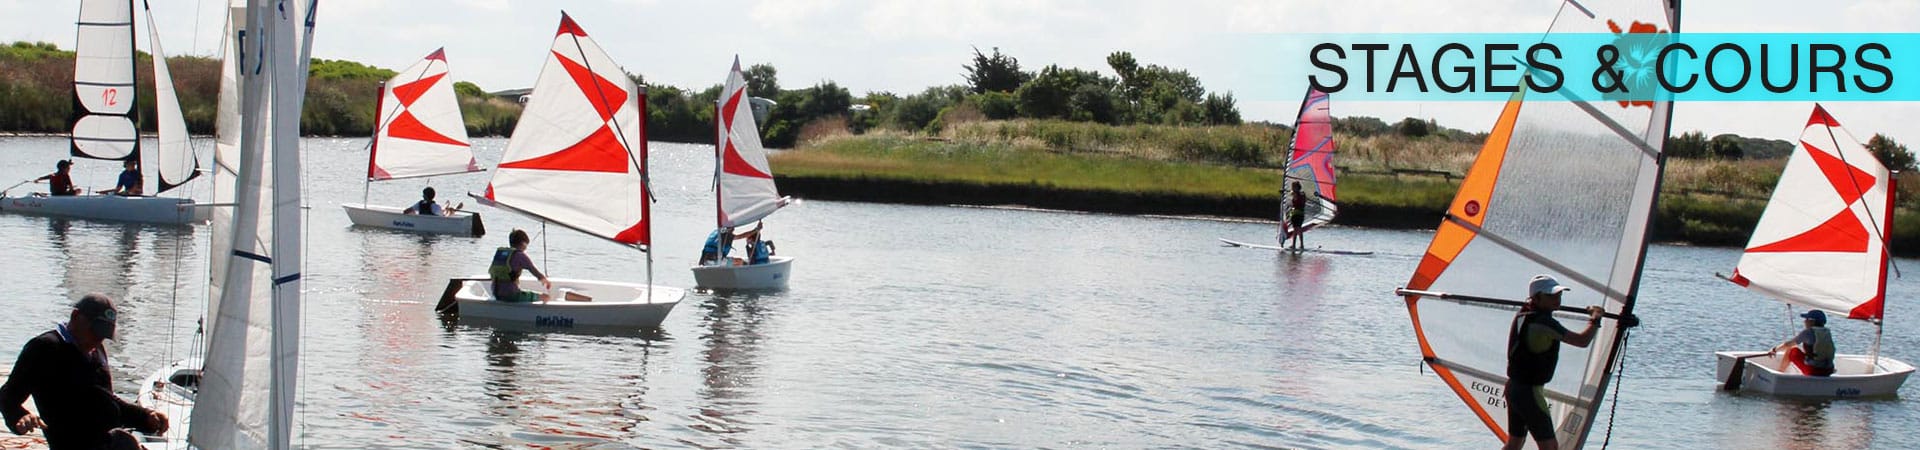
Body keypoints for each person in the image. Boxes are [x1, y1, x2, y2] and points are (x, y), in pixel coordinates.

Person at [1, 294, 168, 449]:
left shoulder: (96, 350)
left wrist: (145, 417)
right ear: (75, 316)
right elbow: (7, 397)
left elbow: (106, 398)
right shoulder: (45, 348)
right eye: (95, 331)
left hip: (106, 441)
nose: (98, 339)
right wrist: (20, 417)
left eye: (104, 334)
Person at [1503, 275, 1604, 450]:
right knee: (1549, 447)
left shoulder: (1524, 314)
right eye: (1551, 296)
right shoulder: (1544, 323)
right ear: (1536, 298)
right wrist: (1595, 318)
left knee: (1514, 444)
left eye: (1558, 295)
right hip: (1529, 393)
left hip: (1513, 389)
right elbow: (1582, 341)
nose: (1557, 299)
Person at [489, 229, 550, 303]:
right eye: (526, 245)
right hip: (511, 295)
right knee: (545, 297)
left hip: (496, 293)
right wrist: (544, 280)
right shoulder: (520, 255)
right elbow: (533, 270)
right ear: (523, 243)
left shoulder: (503, 254)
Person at [1771, 310, 1836, 376]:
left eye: (1806, 319)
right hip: (1828, 370)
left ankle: (1779, 374)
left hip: (1813, 371)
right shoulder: (1827, 332)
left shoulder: (1808, 332)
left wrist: (1774, 350)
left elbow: (1788, 344)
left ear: (1812, 321)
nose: (1805, 321)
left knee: (1791, 350)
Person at [1285, 181, 1307, 249]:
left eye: (1293, 187)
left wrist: (1285, 192)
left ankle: (1293, 245)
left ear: (1296, 187)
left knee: (1295, 229)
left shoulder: (1295, 194)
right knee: (1299, 229)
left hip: (1296, 214)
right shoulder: (1302, 194)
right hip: (1301, 214)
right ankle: (1302, 245)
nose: (1292, 188)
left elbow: (1294, 196)